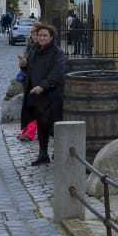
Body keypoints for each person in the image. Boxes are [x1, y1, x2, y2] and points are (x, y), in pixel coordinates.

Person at [24, 23, 67, 165]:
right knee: (41, 125)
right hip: (37, 95)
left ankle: (59, 152)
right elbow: (29, 70)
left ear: (51, 37)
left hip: (52, 94)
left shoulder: (57, 53)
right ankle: (43, 154)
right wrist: (24, 65)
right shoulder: (34, 50)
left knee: (55, 125)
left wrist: (43, 86)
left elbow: (57, 73)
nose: (41, 38)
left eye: (45, 35)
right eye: (40, 35)